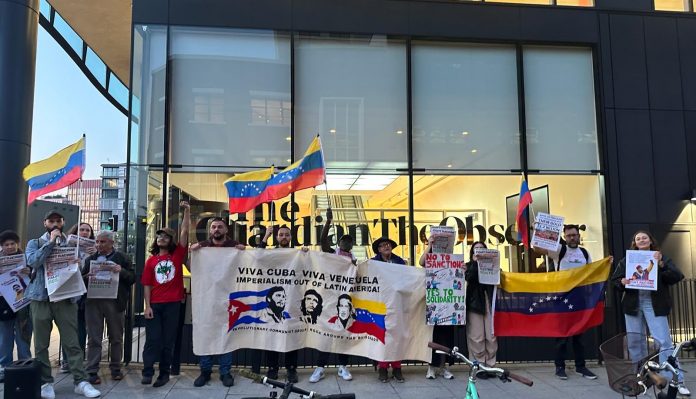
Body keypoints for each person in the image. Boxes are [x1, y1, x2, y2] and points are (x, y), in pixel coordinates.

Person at [25, 210, 101, 398]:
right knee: (41, 344)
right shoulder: (35, 243)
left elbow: (80, 269)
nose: (55, 223)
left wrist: (82, 259)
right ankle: (45, 382)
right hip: (41, 298)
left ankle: (80, 381)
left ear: (63, 222)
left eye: (58, 220)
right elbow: (33, 261)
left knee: (72, 341)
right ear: (45, 223)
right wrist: (51, 242)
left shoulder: (72, 243)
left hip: (65, 297)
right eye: (51, 221)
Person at [611, 230, 690, 396]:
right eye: (637, 238)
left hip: (654, 303)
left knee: (664, 342)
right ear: (634, 242)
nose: (641, 240)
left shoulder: (660, 258)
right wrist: (622, 281)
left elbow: (677, 276)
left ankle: (676, 380)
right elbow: (615, 282)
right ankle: (639, 379)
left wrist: (661, 264)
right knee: (634, 343)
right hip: (633, 304)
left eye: (644, 237)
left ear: (650, 241)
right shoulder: (627, 261)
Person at [533, 224, 597, 380]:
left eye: (574, 235)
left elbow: (591, 272)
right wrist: (538, 233)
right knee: (561, 336)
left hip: (579, 298)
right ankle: (560, 367)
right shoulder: (559, 251)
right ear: (564, 236)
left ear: (579, 236)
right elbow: (537, 249)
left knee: (579, 336)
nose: (572, 238)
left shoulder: (584, 252)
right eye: (569, 235)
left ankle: (581, 367)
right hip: (561, 298)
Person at [141, 201, 191, 388]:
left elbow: (185, 233)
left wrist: (187, 211)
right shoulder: (151, 261)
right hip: (155, 304)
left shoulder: (177, 255)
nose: (161, 238)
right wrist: (147, 306)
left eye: (166, 236)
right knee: (152, 340)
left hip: (173, 305)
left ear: (171, 241)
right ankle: (147, 371)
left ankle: (164, 374)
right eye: (159, 235)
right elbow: (146, 284)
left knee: (167, 342)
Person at [189, 217, 243, 388]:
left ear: (226, 230)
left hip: (228, 299)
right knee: (205, 333)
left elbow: (246, 267)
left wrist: (244, 252)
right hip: (206, 300)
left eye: (220, 226)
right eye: (213, 227)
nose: (217, 229)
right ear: (210, 230)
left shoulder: (235, 246)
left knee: (225, 335)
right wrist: (192, 254)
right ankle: (205, 371)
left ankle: (225, 372)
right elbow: (192, 269)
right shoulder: (202, 247)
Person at [250, 224, 305, 383]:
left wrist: (305, 253)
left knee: (290, 335)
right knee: (272, 334)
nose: (284, 237)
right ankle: (272, 368)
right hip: (274, 301)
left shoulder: (297, 253)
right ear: (277, 237)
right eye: (281, 235)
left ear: (291, 237)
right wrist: (266, 235)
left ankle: (291, 369)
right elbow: (257, 255)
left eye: (287, 235)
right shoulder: (271, 252)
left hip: (292, 300)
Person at [81, 230, 134, 385]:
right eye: (97, 242)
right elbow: (81, 280)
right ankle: (92, 370)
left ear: (111, 243)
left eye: (102, 242)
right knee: (94, 338)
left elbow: (132, 277)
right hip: (93, 302)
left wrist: (121, 271)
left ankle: (116, 368)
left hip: (114, 302)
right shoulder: (91, 259)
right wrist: (87, 277)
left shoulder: (122, 258)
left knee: (116, 337)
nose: (99, 245)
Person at [310, 208, 354, 383]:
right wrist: (328, 222)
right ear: (339, 243)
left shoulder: (353, 259)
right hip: (328, 300)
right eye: (344, 241)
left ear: (352, 245)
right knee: (326, 335)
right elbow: (322, 241)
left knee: (344, 334)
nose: (346, 244)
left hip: (344, 301)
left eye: (349, 242)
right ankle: (320, 368)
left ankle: (342, 366)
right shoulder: (332, 253)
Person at [60, 222, 95, 373]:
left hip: (85, 294)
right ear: (75, 231)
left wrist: (95, 254)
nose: (85, 232)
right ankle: (66, 360)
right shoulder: (65, 246)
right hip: (69, 292)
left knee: (81, 329)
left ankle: (78, 360)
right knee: (68, 328)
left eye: (88, 230)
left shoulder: (94, 250)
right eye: (82, 229)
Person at [370, 237, 405, 383]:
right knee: (381, 336)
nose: (386, 247)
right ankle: (383, 367)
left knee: (396, 335)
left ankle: (397, 367)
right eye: (383, 245)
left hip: (396, 303)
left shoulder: (400, 261)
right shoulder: (372, 263)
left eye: (388, 244)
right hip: (379, 303)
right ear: (378, 249)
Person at [419, 235, 454, 380]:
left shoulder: (451, 258)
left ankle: (444, 367)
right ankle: (431, 367)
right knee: (434, 336)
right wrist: (429, 245)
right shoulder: (431, 256)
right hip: (433, 303)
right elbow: (421, 262)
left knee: (447, 338)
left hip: (448, 302)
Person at [0, 230, 32, 383]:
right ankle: (4, 368)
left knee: (23, 336)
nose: (10, 247)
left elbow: (36, 275)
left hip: (23, 302)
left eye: (12, 243)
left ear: (17, 244)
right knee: (5, 337)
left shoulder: (26, 258)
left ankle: (24, 366)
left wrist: (29, 271)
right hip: (3, 303)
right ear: (2, 246)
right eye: (6, 244)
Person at [464, 241, 497, 379]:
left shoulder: (493, 265)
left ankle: (490, 366)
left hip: (489, 301)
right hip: (475, 303)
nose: (478, 251)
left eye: (481, 249)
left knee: (491, 336)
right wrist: (475, 263)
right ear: (472, 253)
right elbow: (469, 278)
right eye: (476, 249)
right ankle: (478, 366)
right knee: (476, 337)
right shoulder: (468, 266)